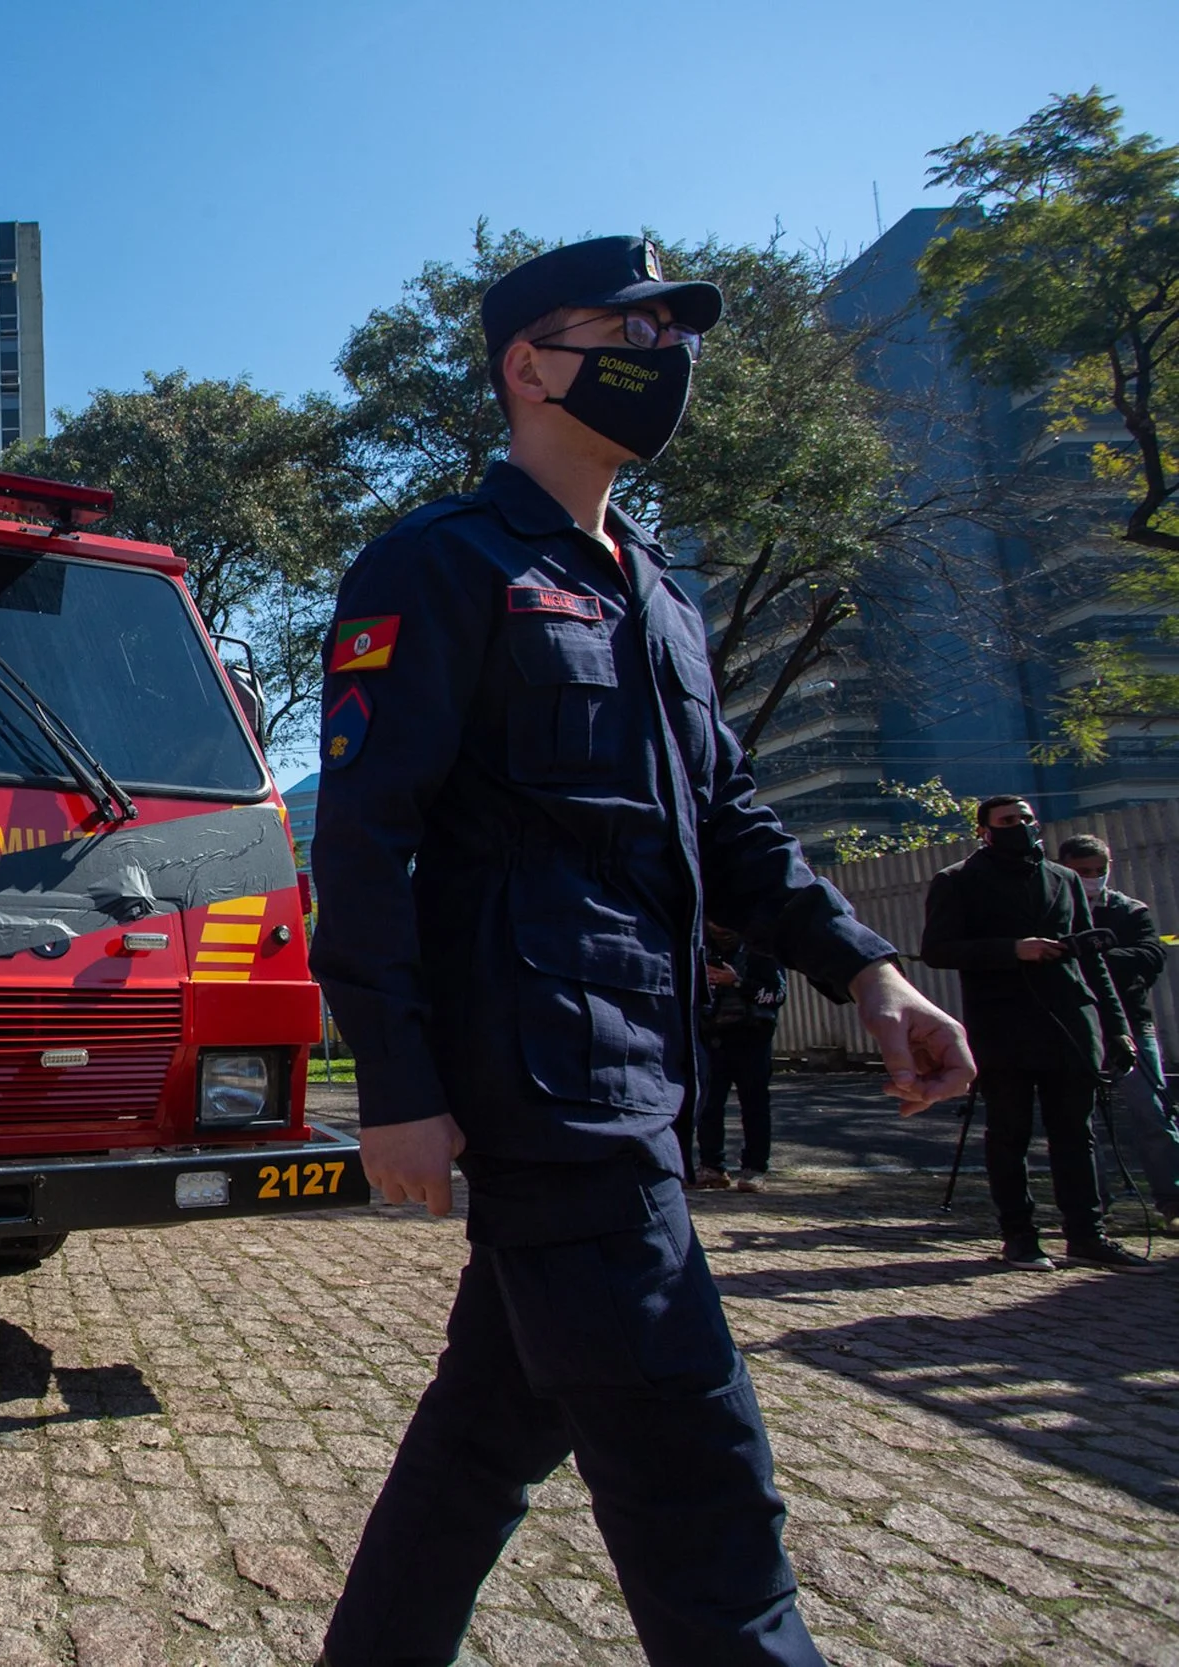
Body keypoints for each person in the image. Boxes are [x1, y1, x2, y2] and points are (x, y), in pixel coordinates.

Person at [308, 235, 974, 1667]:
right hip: (556, 1087)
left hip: (648, 1073)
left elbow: (728, 819)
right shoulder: (439, 561)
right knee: (701, 1479)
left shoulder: (658, 591)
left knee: (487, 1433)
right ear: (528, 365)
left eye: (676, 335)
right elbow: (364, 841)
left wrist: (865, 967)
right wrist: (395, 1083)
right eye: (629, 331)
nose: (666, 358)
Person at [919, 799, 1145, 1271]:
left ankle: (1087, 1234)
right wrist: (1012, 950)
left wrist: (1117, 1028)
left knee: (1076, 1133)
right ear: (984, 830)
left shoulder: (1063, 879)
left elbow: (1091, 957)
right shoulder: (957, 880)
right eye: (1007, 821)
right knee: (1010, 1133)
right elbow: (937, 950)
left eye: (1025, 819)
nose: (1020, 826)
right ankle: (1019, 1236)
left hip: (1070, 1019)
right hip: (1003, 1024)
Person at [1057, 833, 1179, 1224]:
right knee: (1081, 1121)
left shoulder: (1128, 910)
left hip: (1130, 1021)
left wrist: (1095, 956)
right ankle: (1093, 1207)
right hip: (1076, 1025)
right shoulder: (1054, 911)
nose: (1093, 878)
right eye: (1083, 871)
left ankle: (1173, 1200)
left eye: (1100, 870)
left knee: (1153, 1113)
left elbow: (1150, 955)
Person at [695, 922, 785, 1192]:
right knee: (708, 1106)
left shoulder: (760, 949)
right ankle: (711, 1167)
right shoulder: (701, 948)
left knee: (755, 1106)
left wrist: (736, 982)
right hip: (713, 1038)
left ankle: (755, 1169)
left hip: (752, 1038)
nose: (717, 927)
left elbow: (776, 995)